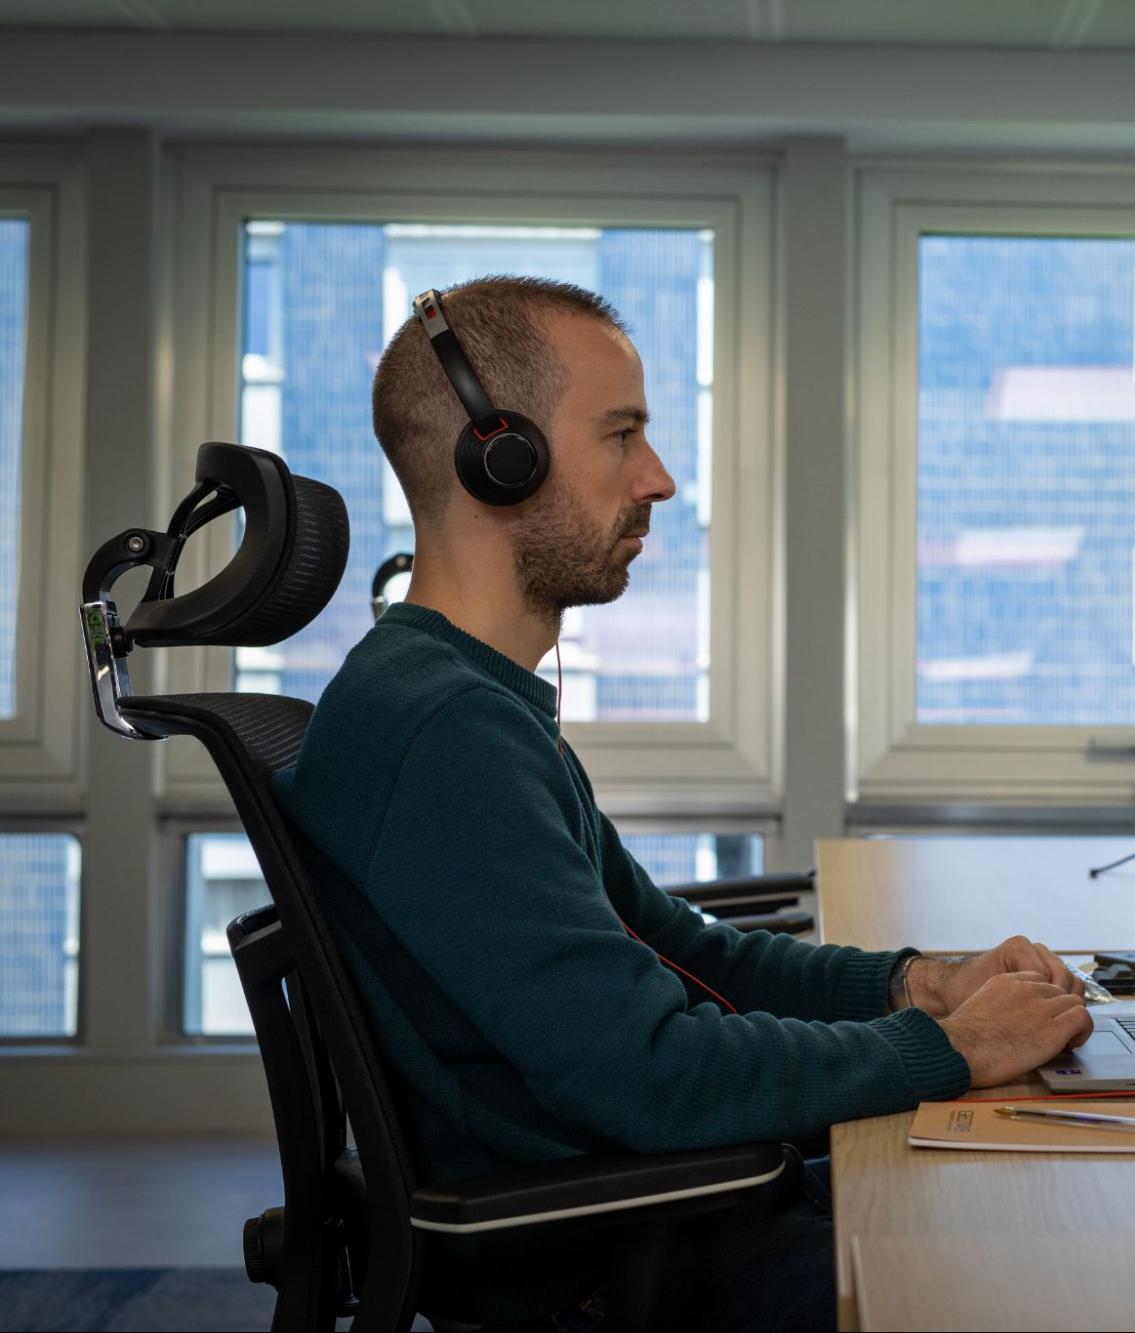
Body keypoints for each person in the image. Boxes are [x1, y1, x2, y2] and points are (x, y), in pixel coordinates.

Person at [273, 275, 1093, 1329]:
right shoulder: (444, 731)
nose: (658, 478)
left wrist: (918, 985)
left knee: (1043, 1205)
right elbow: (651, 1072)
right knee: (1060, 1271)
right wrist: (953, 1050)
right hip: (613, 1249)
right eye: (621, 435)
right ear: (499, 455)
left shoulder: (468, 700)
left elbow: (680, 951)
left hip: (664, 1205)